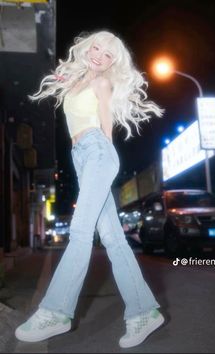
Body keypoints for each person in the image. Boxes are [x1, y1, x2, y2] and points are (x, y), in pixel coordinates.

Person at [15, 30, 165, 348]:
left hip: (97, 152)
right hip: (82, 157)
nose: (99, 55)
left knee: (81, 232)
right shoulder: (79, 80)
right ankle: (145, 312)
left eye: (108, 54)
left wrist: (105, 161)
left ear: (114, 62)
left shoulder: (101, 83)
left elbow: (106, 127)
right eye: (96, 48)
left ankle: (56, 311)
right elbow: (62, 79)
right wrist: (65, 72)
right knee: (112, 239)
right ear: (87, 47)